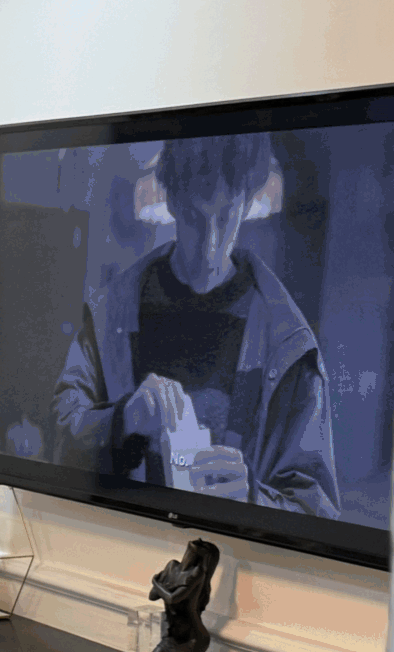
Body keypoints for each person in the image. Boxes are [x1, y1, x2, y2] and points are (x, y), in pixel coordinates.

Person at [52, 134, 339, 517]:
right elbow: (58, 439)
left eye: (225, 216)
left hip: (230, 550)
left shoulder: (287, 341)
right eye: (193, 217)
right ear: (171, 200)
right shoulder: (112, 312)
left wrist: (251, 499)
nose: (209, 246)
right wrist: (122, 420)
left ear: (247, 204)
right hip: (120, 534)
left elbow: (317, 509)